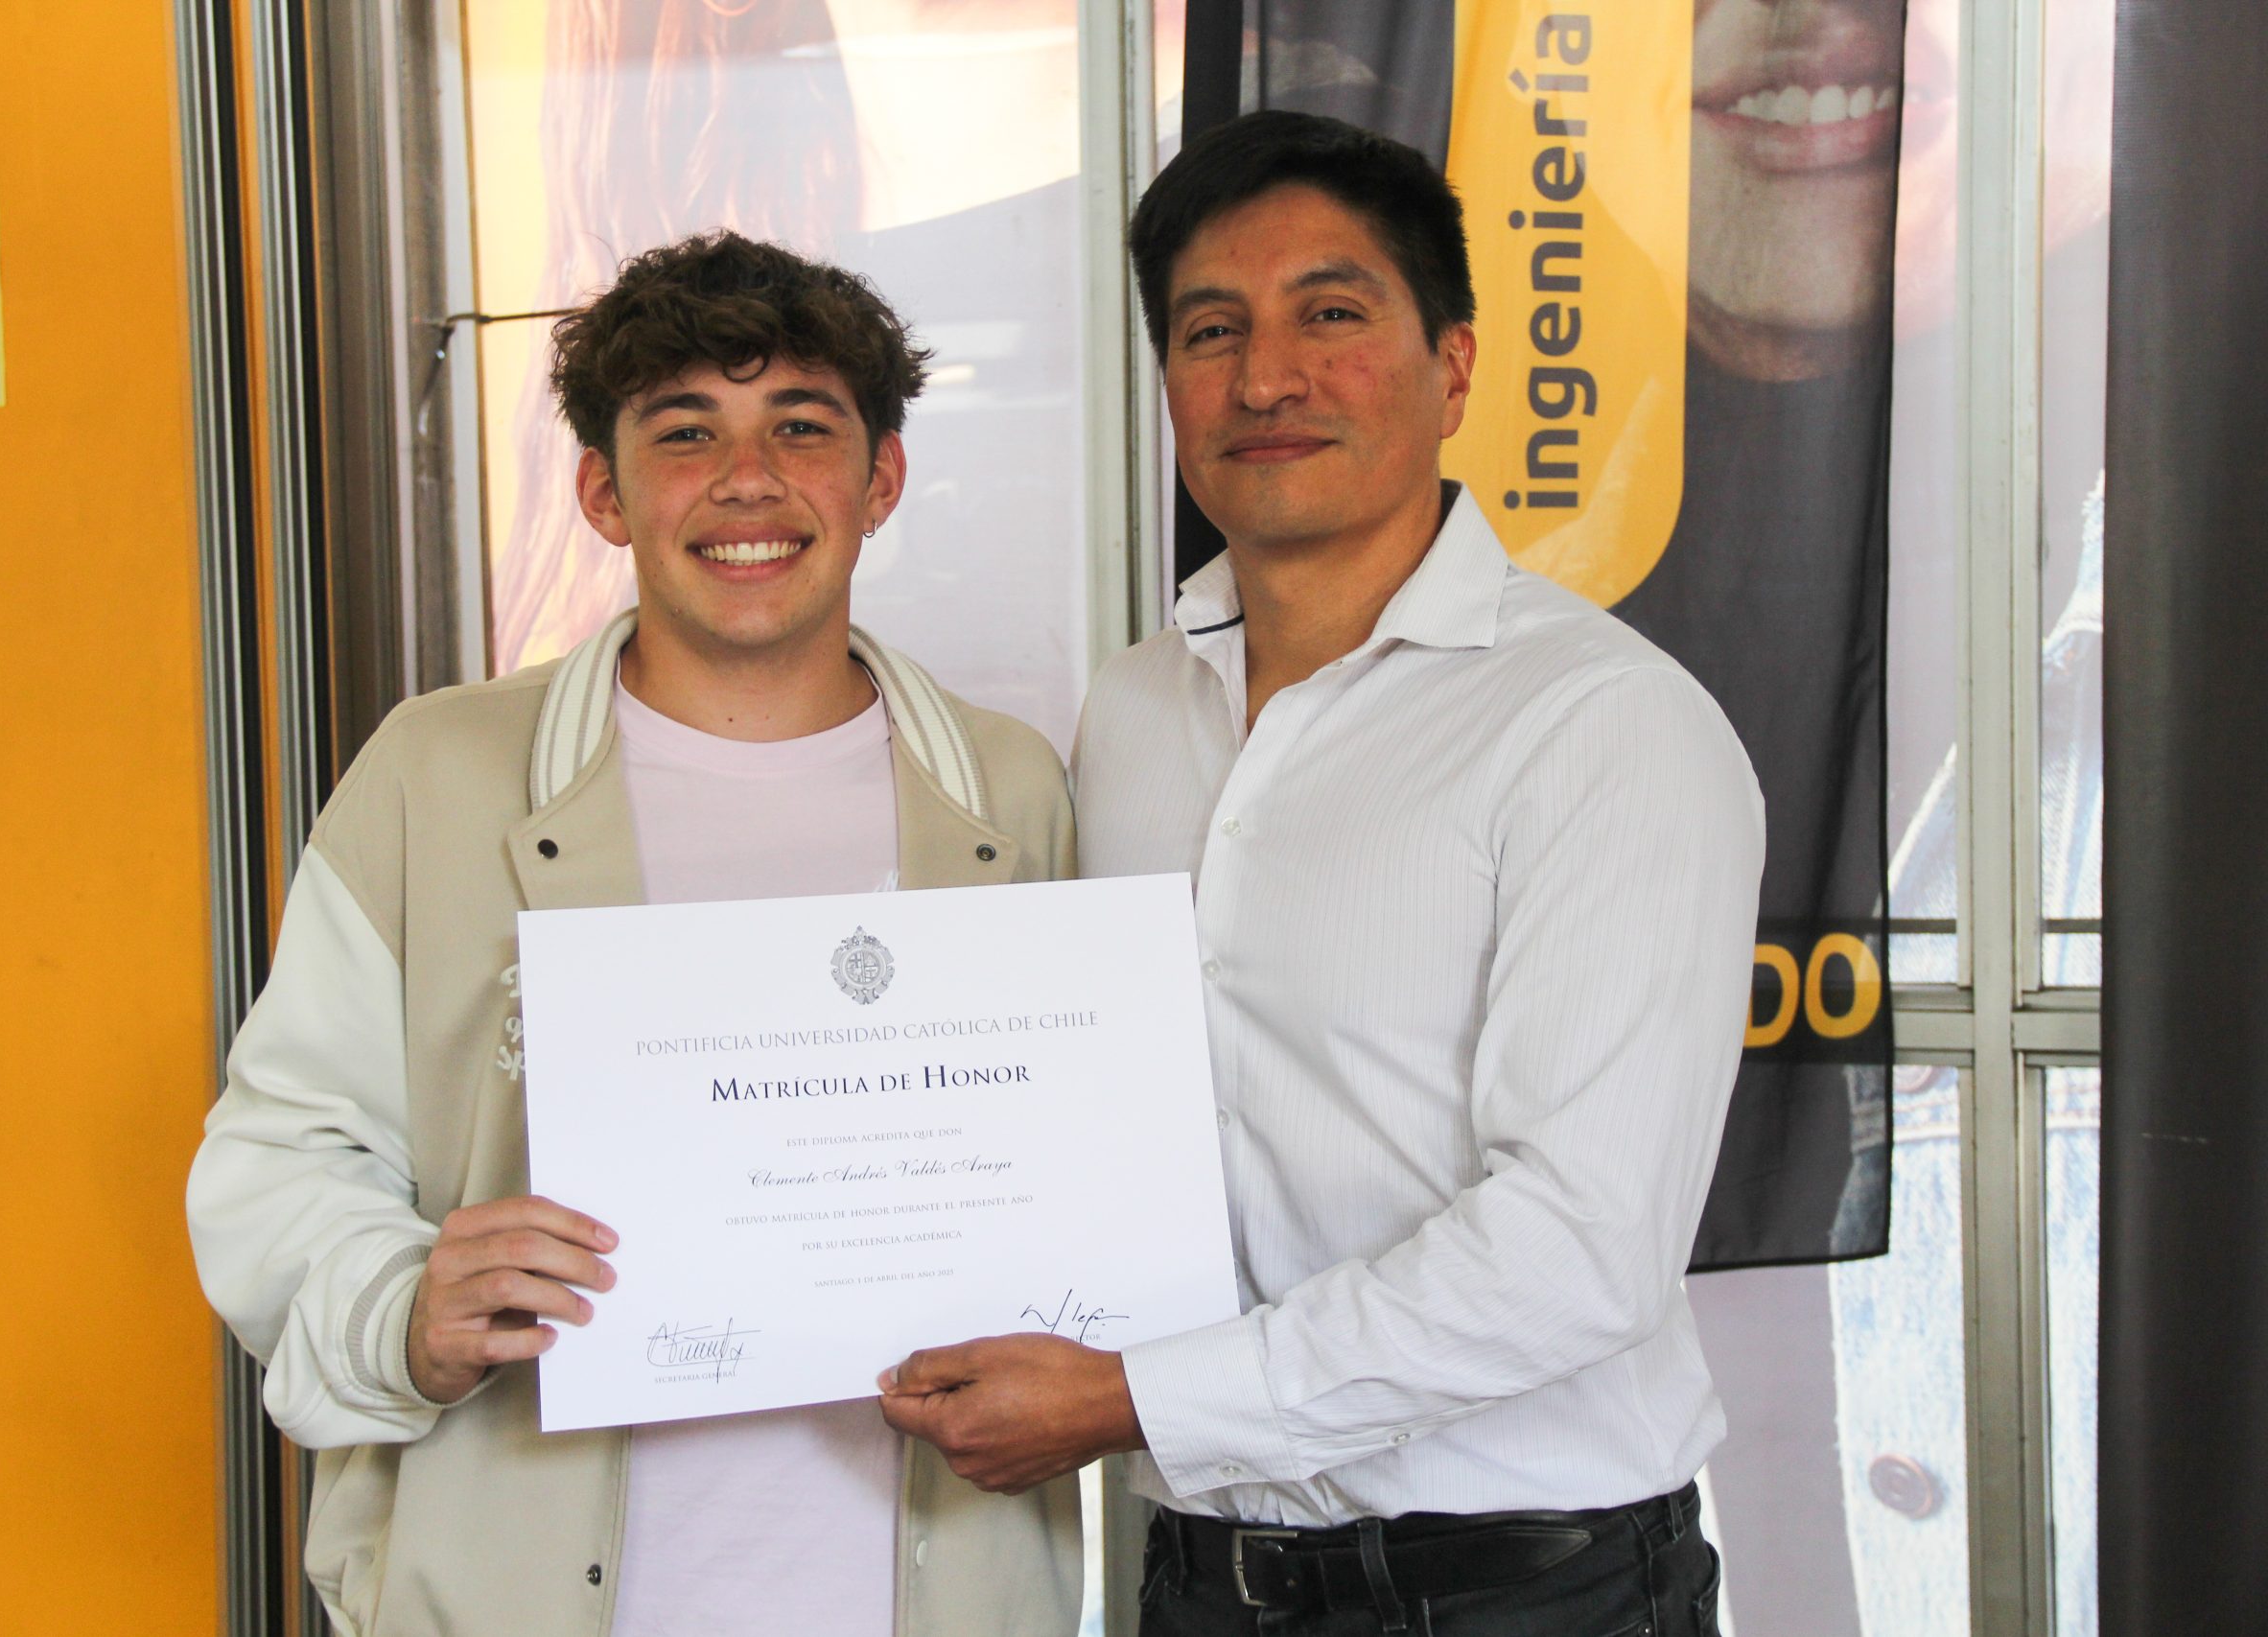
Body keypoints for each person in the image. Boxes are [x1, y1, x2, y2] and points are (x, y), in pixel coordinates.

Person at [877, 111, 1763, 1635]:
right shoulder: (1134, 709)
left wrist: (1132, 1399)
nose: (1266, 378)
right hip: (1199, 1579)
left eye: (1331, 316)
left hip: (1520, 1592)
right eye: (1211, 331)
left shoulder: (1602, 725)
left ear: (1455, 368)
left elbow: (1579, 1248)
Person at [186, 231, 1083, 1637]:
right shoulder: (438, 776)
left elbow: (1077, 1161)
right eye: (686, 432)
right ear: (603, 493)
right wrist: (401, 1309)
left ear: (881, 480)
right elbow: (281, 1150)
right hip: (518, 1586)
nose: (748, 479)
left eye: (802, 426)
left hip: (935, 1586)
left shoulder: (1008, 790)